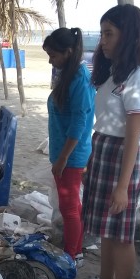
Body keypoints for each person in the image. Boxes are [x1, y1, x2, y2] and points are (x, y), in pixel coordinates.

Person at [80, 4, 140, 279]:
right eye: (102, 34)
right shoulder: (117, 72)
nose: (103, 41)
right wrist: (91, 156)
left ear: (129, 35)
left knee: (122, 230)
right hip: (105, 149)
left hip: (126, 154)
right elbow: (106, 121)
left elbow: (134, 136)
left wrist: (123, 186)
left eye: (109, 34)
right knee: (106, 226)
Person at [42, 27, 95, 262]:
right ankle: (75, 246)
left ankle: (72, 254)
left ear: (69, 52)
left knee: (69, 207)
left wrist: (63, 158)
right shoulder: (68, 75)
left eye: (54, 56)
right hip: (63, 151)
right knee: (71, 206)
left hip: (71, 155)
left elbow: (79, 123)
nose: (50, 61)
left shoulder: (80, 80)